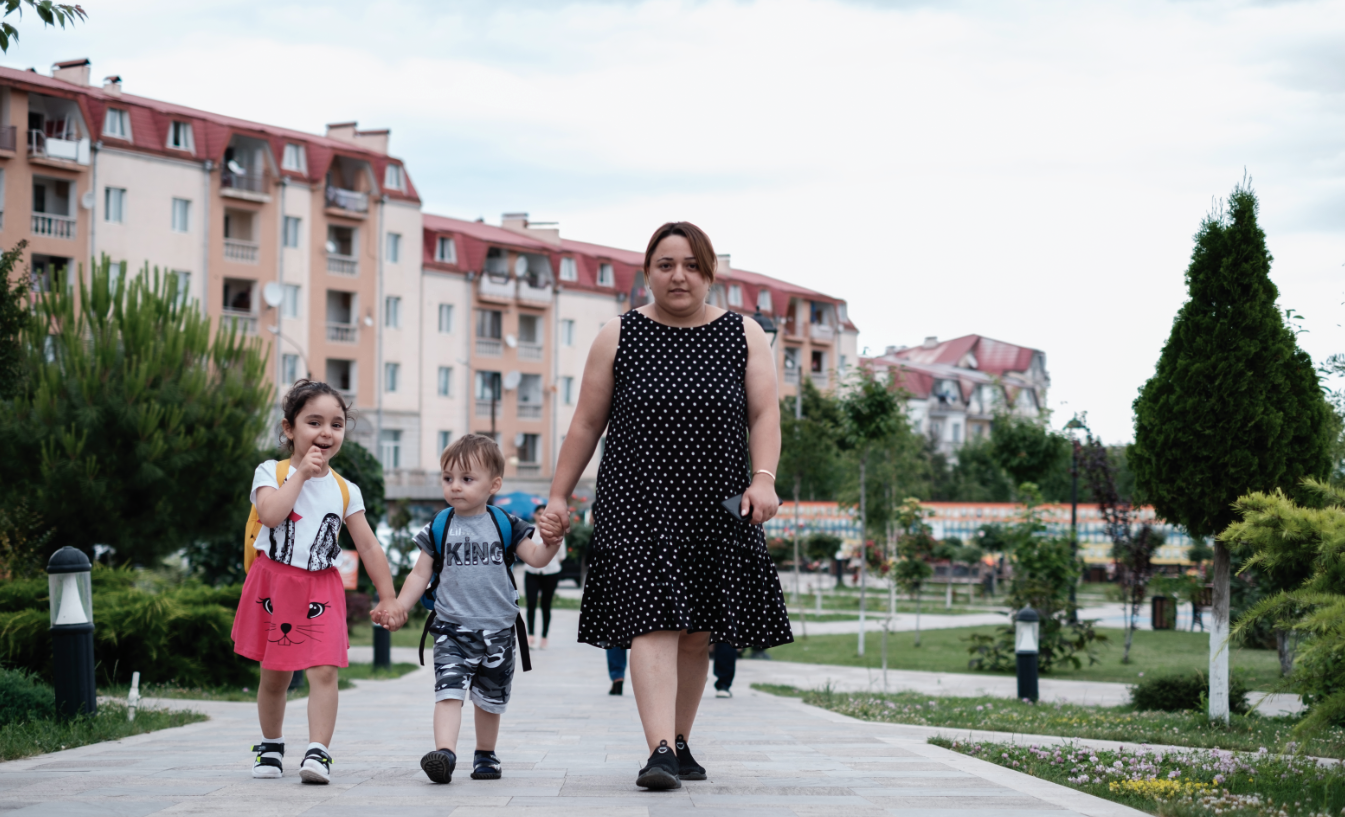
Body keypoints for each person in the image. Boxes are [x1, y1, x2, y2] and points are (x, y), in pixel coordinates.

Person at [536, 221, 792, 791]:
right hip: (637, 498)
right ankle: (657, 750)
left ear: (709, 273)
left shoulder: (743, 334)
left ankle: (678, 741)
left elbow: (764, 414)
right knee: (652, 619)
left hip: (718, 500)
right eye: (666, 264)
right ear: (647, 272)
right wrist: (559, 494)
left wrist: (764, 480)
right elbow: (585, 423)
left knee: (699, 629)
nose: (679, 276)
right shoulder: (618, 334)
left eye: (691, 265)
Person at [232, 380, 406, 784]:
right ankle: (271, 744)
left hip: (321, 587)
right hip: (274, 584)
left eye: (337, 424)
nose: (326, 432)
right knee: (274, 676)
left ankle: (318, 752)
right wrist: (302, 475)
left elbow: (369, 546)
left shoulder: (346, 490)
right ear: (289, 429)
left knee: (325, 671)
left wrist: (389, 596)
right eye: (314, 422)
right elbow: (272, 514)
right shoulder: (270, 472)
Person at [392, 434, 563, 785]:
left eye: (467, 479)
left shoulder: (506, 523)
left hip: (498, 630)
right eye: (448, 478)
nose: (455, 487)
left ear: (493, 485)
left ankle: (486, 754)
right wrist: (400, 605)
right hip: (451, 628)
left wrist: (551, 543)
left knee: (489, 698)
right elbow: (420, 573)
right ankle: (445, 753)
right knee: (449, 690)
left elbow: (535, 559)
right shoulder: (439, 525)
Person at [523, 535, 565, 650]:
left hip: (551, 572)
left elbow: (561, 555)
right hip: (532, 572)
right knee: (531, 603)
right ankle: (530, 635)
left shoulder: (557, 532)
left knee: (546, 605)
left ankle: (544, 636)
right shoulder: (530, 530)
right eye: (539, 514)